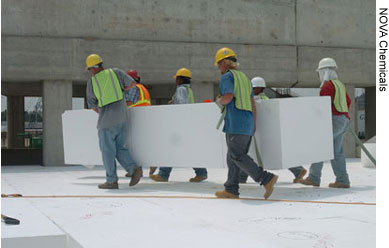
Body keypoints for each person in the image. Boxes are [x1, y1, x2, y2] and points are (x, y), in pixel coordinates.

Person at [213, 47, 278, 199]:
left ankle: (266, 178)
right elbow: (252, 103)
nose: (218, 68)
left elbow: (228, 97)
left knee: (237, 155)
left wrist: (218, 101)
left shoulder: (227, 77)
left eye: (218, 64)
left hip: (236, 123)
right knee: (232, 157)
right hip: (247, 123)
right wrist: (253, 123)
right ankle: (231, 189)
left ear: (223, 62)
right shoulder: (244, 78)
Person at [85, 54, 143, 189]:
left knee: (107, 151)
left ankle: (111, 181)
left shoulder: (92, 83)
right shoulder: (116, 72)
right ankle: (134, 170)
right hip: (123, 119)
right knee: (119, 148)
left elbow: (93, 106)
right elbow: (133, 84)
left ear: (93, 68)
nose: (90, 72)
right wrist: (122, 90)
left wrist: (105, 112)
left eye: (89, 69)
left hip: (107, 122)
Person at [238, 77, 307, 184]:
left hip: (257, 131)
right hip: (264, 132)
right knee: (263, 154)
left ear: (256, 88)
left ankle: (241, 177)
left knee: (250, 154)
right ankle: (298, 170)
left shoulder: (257, 100)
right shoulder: (266, 99)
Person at [297, 57, 351, 188]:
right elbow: (348, 101)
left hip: (333, 120)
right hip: (344, 119)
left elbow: (323, 106)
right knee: (337, 152)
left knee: (319, 148)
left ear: (323, 71)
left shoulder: (327, 86)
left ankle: (314, 178)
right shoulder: (340, 84)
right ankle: (342, 180)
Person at [149, 68, 208, 183]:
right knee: (188, 150)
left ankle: (163, 175)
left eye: (177, 78)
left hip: (181, 123)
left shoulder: (181, 89)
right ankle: (201, 173)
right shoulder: (189, 90)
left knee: (170, 148)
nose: (176, 81)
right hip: (187, 123)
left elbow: (181, 106)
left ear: (181, 79)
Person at [124, 69, 157, 176]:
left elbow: (129, 102)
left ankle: (137, 170)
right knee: (140, 145)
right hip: (143, 119)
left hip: (136, 119)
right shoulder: (142, 88)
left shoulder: (134, 88)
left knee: (135, 146)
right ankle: (143, 167)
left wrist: (116, 106)